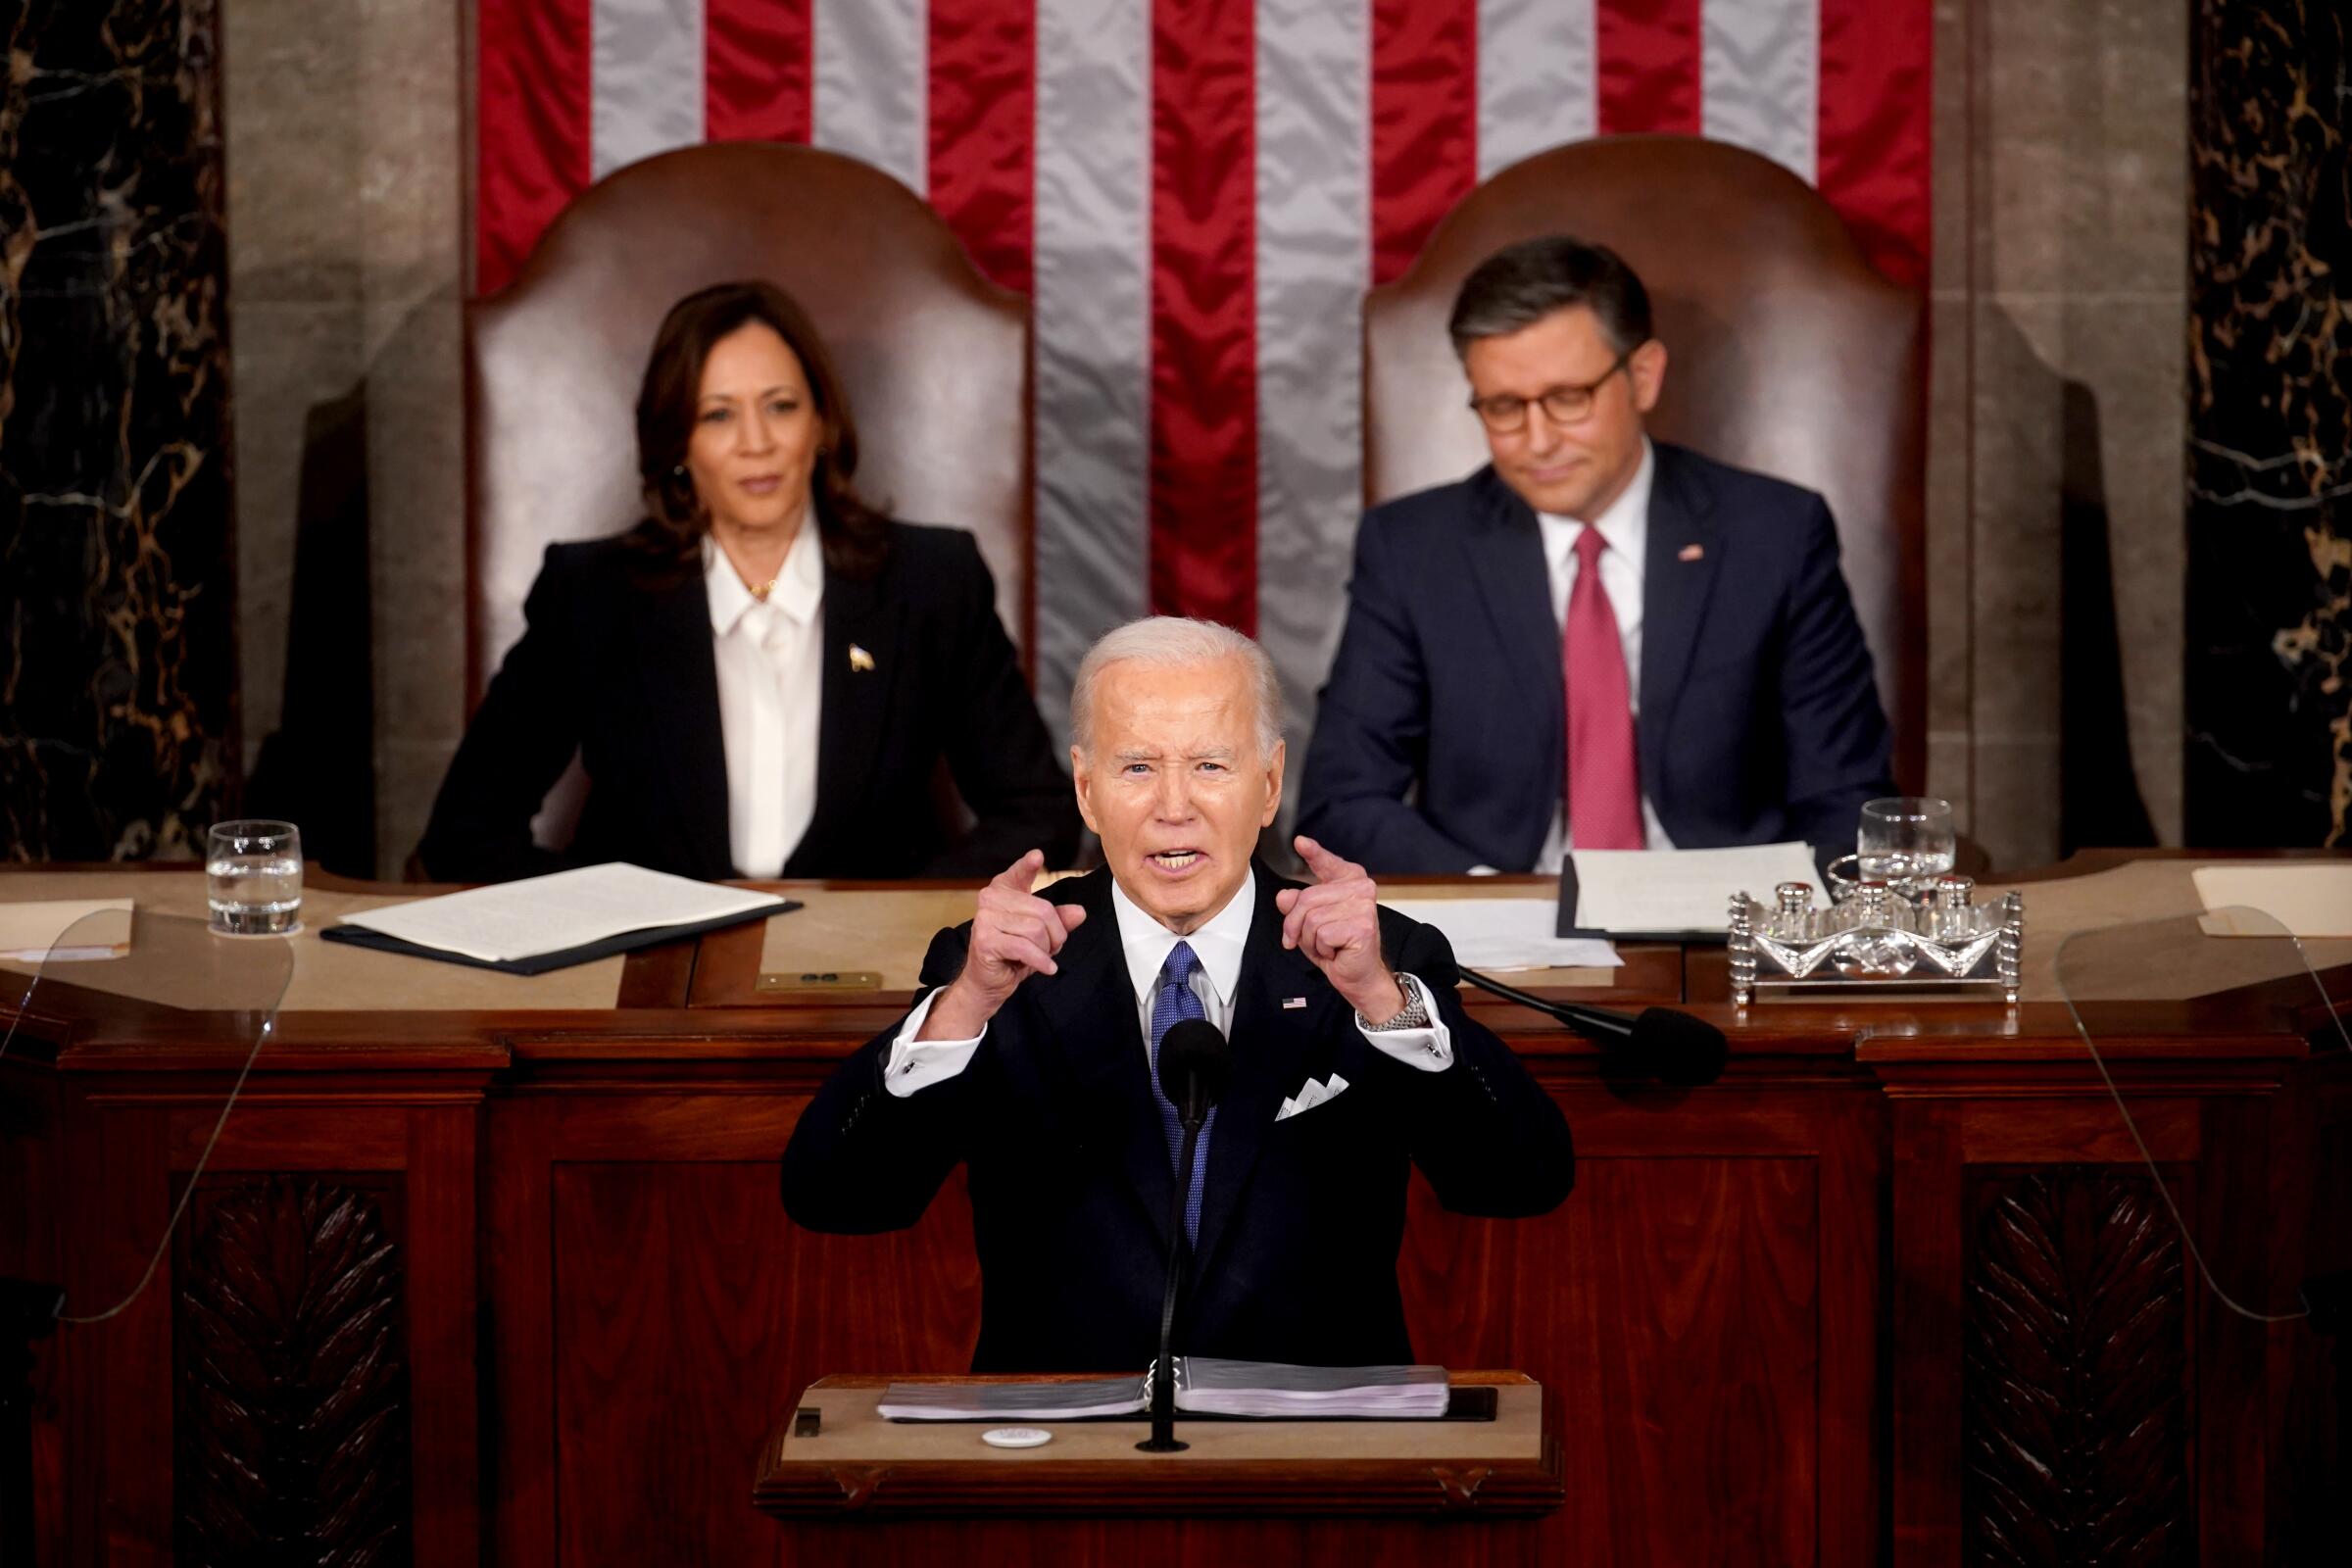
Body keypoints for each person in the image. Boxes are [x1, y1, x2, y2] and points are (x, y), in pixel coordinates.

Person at [780, 617, 1575, 1373]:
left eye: (1210, 766)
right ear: (1086, 792)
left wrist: (1378, 997)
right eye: (1136, 768)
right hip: (1064, 1454)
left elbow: (1522, 1181)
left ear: (1268, 786)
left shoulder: (1377, 957)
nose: (1172, 807)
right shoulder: (998, 964)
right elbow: (836, 1197)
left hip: (1319, 1456)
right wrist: (963, 1008)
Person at [416, 280, 1079, 882]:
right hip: (652, 991)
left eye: (781, 406)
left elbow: (1038, 814)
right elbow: (464, 835)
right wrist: (607, 920)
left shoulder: (934, 581)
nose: (755, 442)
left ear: (820, 424)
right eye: (718, 415)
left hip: (874, 987)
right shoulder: (591, 595)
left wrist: (911, 924)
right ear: (678, 445)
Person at [1297, 236, 1895, 873]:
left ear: (1642, 376)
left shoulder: (1774, 535)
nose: (1538, 440)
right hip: (1497, 928)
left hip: (1725, 924)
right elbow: (1343, 802)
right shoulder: (1414, 550)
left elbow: (1845, 798)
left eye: (1567, 399)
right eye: (1504, 407)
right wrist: (1484, 898)